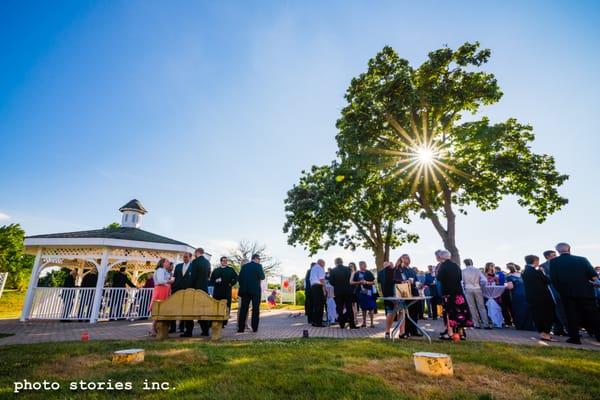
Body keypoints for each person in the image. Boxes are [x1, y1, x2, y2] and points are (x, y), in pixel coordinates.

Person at [549, 242, 600, 344]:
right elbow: (593, 275)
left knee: (571, 316)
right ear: (569, 249)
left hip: (567, 293)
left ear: (558, 251)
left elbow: (553, 279)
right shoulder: (582, 259)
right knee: (593, 315)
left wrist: (560, 289)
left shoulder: (554, 262)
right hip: (586, 292)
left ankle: (575, 338)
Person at [435, 249, 473, 340]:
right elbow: (460, 277)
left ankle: (450, 333)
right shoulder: (455, 265)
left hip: (448, 293)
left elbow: (439, 278)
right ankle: (461, 333)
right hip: (458, 292)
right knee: (460, 312)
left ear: (440, 257)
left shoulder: (442, 266)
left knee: (449, 313)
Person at [521, 255, 555, 341]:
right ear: (535, 261)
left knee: (537, 315)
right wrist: (542, 273)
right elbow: (547, 281)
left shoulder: (524, 272)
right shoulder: (536, 272)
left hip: (532, 296)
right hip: (542, 296)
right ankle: (545, 333)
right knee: (547, 314)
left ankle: (541, 332)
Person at [539, 249, 567, 336]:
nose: (556, 256)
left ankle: (563, 329)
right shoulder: (543, 266)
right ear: (548, 257)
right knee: (557, 310)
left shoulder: (560, 264)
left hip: (562, 289)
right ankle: (558, 329)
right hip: (552, 290)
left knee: (563, 310)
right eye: (553, 255)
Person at [171, 251, 198, 337]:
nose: (184, 258)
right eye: (184, 257)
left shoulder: (193, 267)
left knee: (188, 311)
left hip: (189, 291)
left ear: (190, 258)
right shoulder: (178, 266)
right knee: (176, 309)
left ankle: (188, 330)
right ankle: (174, 327)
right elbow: (174, 278)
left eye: (186, 257)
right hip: (178, 291)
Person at [237, 254, 266, 333]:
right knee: (255, 309)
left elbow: (239, 279)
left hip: (245, 291)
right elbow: (262, 277)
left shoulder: (244, 267)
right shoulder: (258, 266)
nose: (259, 261)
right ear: (256, 259)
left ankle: (241, 328)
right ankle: (255, 328)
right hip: (255, 291)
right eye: (259, 259)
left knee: (243, 309)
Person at [329, 257, 358, 329]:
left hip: (338, 292)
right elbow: (352, 279)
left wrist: (337, 285)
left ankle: (341, 324)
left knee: (339, 308)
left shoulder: (333, 271)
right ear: (342, 262)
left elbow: (331, 282)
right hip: (348, 291)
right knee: (349, 308)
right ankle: (352, 324)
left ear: (335, 263)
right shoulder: (348, 269)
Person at [396, 254, 422, 337]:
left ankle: (414, 331)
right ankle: (405, 331)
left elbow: (416, 281)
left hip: (414, 292)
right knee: (406, 312)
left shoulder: (411, 270)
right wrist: (405, 281)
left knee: (414, 312)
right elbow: (397, 280)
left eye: (409, 258)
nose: (408, 259)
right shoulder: (400, 270)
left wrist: (417, 283)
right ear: (402, 259)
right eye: (406, 258)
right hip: (405, 293)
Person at [379, 261, 405, 339]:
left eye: (391, 264)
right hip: (390, 295)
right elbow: (381, 282)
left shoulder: (396, 271)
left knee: (401, 311)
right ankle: (387, 332)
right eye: (387, 265)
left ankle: (402, 332)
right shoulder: (382, 273)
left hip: (400, 294)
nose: (390, 266)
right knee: (391, 312)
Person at [462, 258, 491, 329]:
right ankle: (486, 323)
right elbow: (484, 280)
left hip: (468, 288)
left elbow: (461, 282)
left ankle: (476, 323)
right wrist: (481, 286)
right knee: (481, 306)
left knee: (472, 307)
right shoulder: (477, 270)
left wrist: (464, 289)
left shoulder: (463, 271)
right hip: (477, 288)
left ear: (465, 264)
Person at [210, 256, 238, 326]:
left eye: (226, 261)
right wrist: (215, 281)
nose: (225, 262)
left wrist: (231, 284)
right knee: (216, 306)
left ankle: (224, 322)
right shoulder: (216, 270)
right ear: (221, 262)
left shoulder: (231, 270)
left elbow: (236, 278)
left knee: (226, 306)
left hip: (226, 291)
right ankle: (215, 320)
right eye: (223, 260)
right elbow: (211, 280)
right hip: (217, 292)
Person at [505, 263, 535, 330]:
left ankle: (521, 325)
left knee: (519, 310)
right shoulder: (522, 274)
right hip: (526, 293)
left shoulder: (509, 276)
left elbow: (510, 287)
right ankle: (530, 326)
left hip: (517, 294)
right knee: (527, 309)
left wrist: (505, 286)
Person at [149, 258, 173, 336]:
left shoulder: (165, 271)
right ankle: (152, 329)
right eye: (167, 261)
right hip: (160, 291)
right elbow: (160, 281)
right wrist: (170, 281)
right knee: (158, 309)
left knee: (161, 310)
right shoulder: (160, 270)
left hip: (164, 291)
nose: (169, 263)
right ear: (163, 263)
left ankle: (155, 328)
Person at [191, 248, 212, 336]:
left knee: (191, 309)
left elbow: (193, 276)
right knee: (203, 310)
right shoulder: (207, 262)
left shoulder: (195, 262)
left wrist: (190, 287)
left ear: (197, 253)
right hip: (204, 288)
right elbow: (208, 275)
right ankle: (205, 330)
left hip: (196, 288)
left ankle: (189, 331)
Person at [353, 261, 376, 328]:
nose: (361, 266)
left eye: (362, 264)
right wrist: (359, 282)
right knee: (363, 308)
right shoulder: (357, 273)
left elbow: (373, 282)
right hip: (360, 292)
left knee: (371, 308)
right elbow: (353, 282)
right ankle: (364, 322)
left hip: (368, 293)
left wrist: (366, 282)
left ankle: (372, 323)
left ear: (365, 265)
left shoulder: (369, 273)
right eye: (360, 264)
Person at [309, 259, 327, 327]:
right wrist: (325, 288)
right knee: (320, 305)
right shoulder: (320, 268)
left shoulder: (313, 268)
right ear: (321, 263)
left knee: (315, 305)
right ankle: (319, 322)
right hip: (318, 287)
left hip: (313, 287)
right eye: (324, 263)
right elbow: (321, 279)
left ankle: (314, 321)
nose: (324, 265)